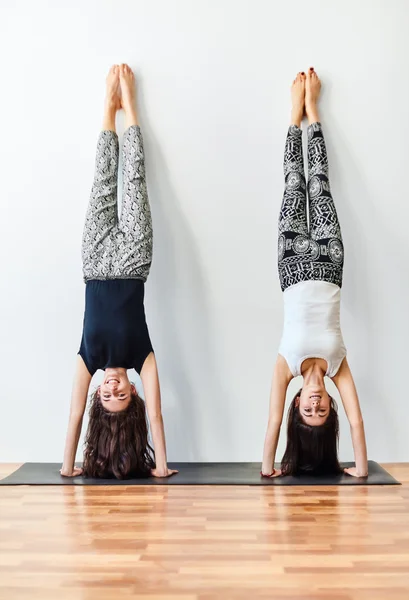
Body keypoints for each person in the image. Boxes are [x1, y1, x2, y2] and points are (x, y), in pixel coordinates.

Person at [60, 64, 177, 479]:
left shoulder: (87, 359)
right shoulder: (140, 356)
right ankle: (131, 109)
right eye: (121, 395)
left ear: (98, 393)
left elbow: (75, 415)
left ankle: (108, 113)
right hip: (132, 262)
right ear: (132, 393)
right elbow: (158, 418)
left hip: (93, 263)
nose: (112, 388)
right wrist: (161, 467)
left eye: (106, 395)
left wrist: (68, 466)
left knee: (103, 181)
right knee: (134, 180)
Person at [261, 68, 368, 478]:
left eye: (309, 409)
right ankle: (314, 112)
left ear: (297, 404)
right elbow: (356, 422)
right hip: (330, 261)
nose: (316, 403)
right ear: (330, 405)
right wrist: (357, 468)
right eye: (322, 409)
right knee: (319, 183)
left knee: (293, 183)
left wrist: (269, 468)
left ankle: (294, 114)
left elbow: (273, 423)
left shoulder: (285, 365)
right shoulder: (338, 364)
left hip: (291, 263)